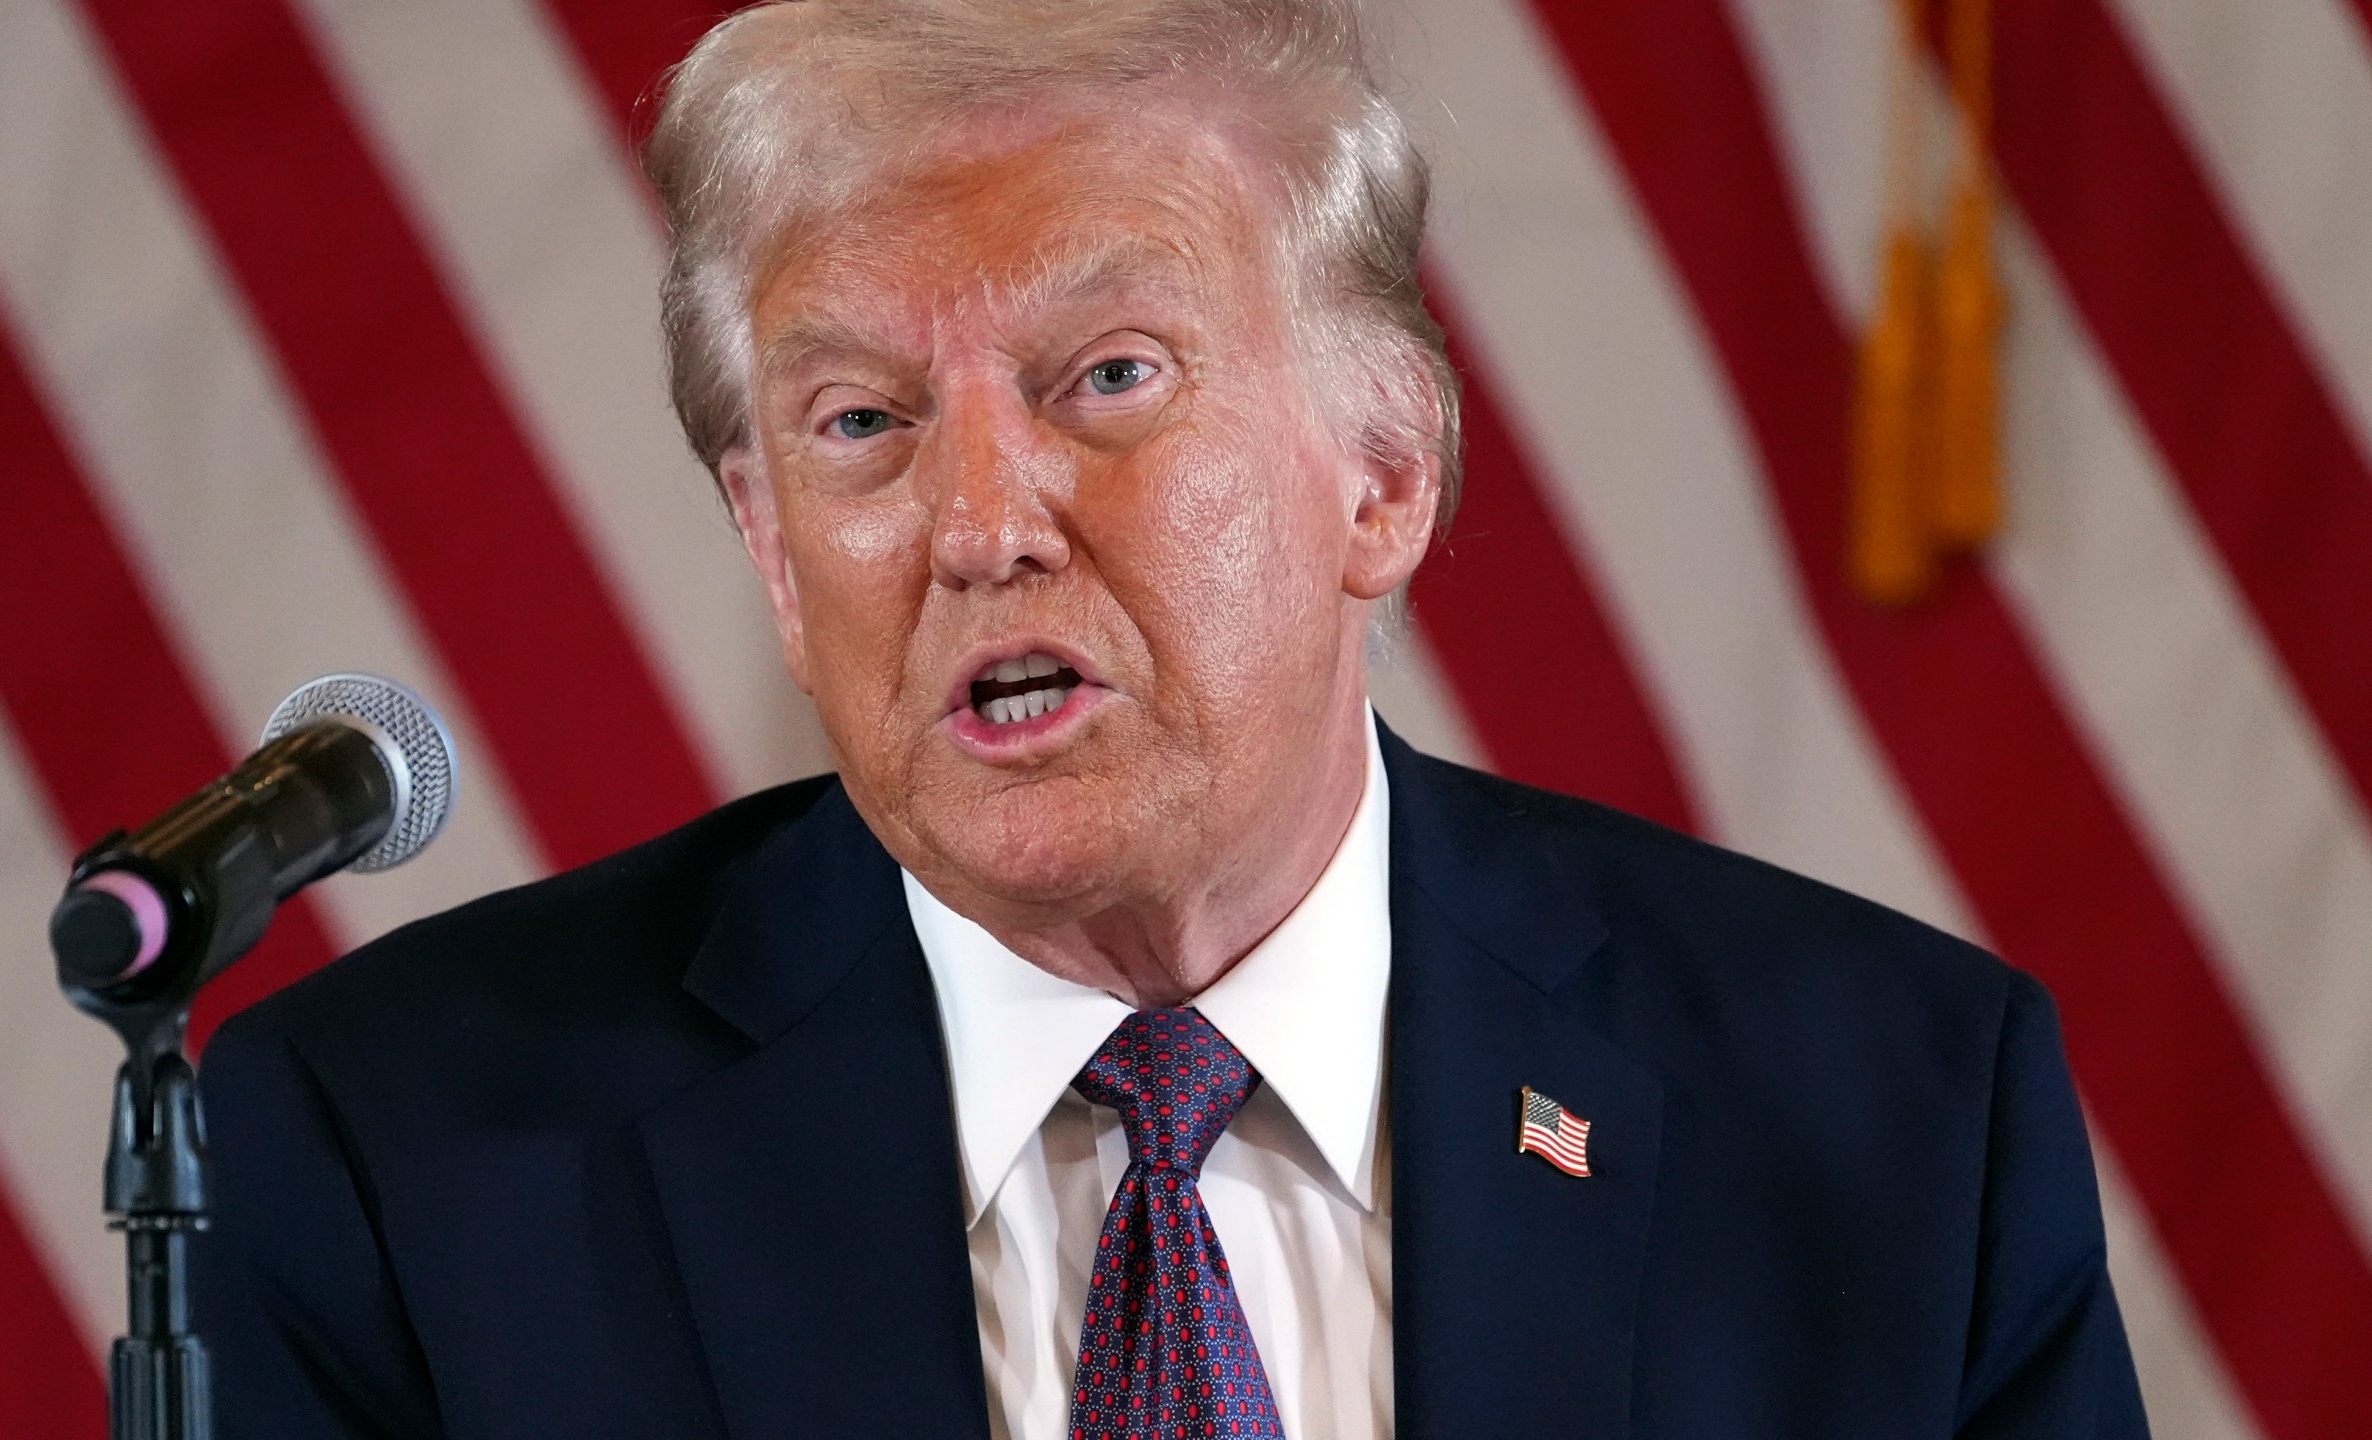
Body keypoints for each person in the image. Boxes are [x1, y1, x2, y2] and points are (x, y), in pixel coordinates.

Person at [192, 0, 2149, 1435]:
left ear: (1380, 473)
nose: (972, 525)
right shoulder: (392, 1162)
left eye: (1105, 376)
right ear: (776, 557)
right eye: (859, 423)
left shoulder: (1888, 1120)